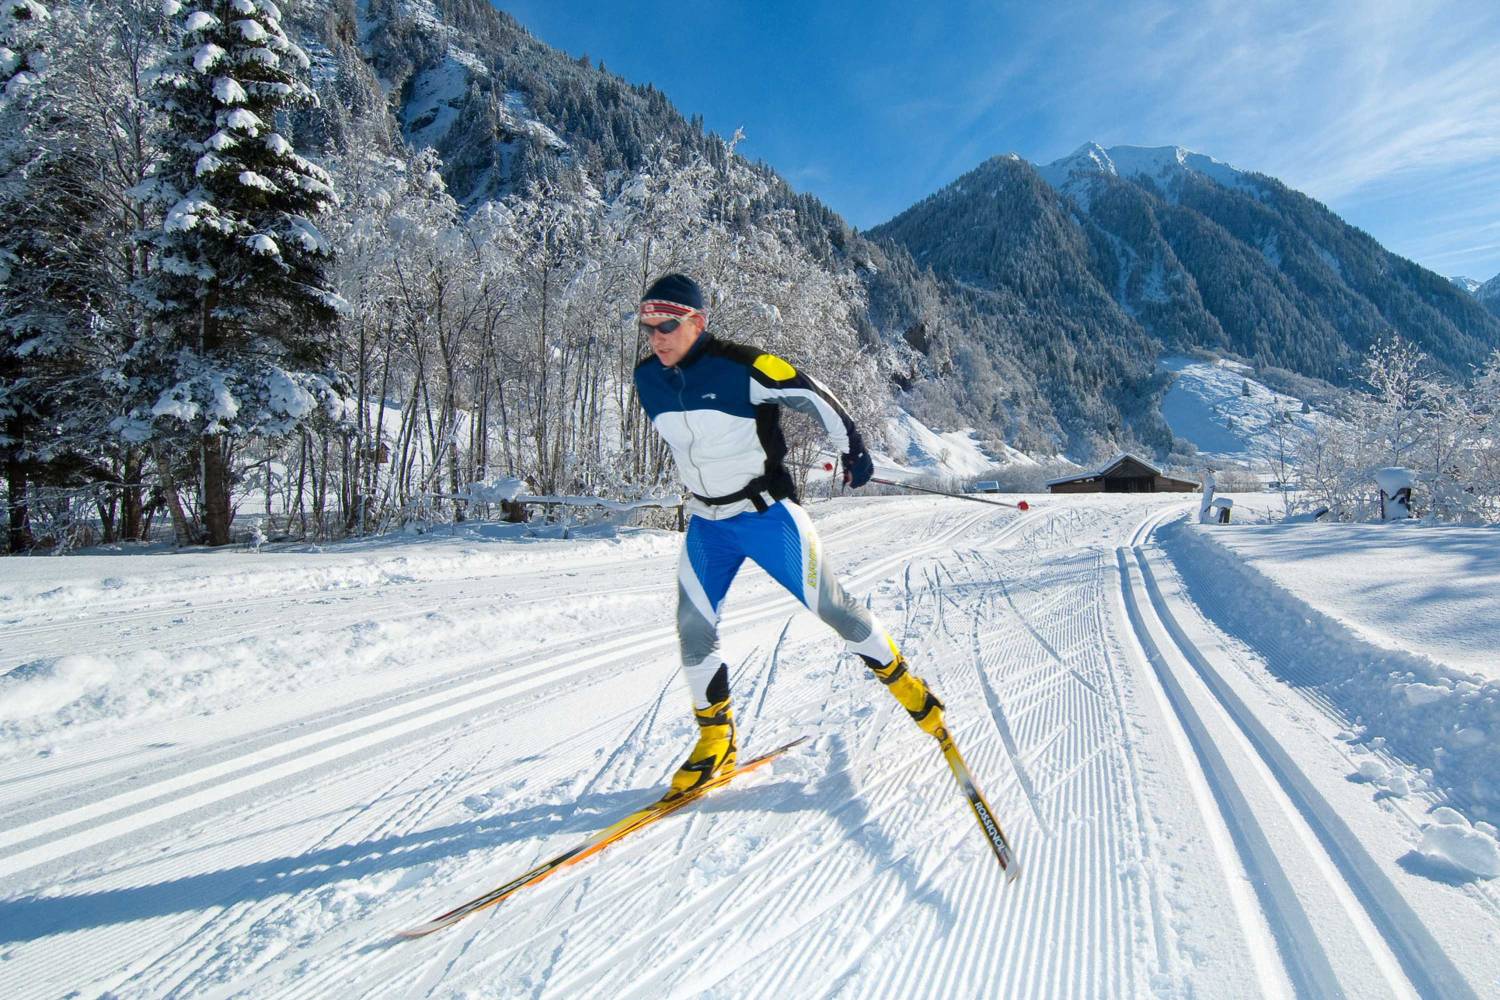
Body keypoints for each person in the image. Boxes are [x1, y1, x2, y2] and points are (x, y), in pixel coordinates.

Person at [632, 273, 947, 799]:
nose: (658, 337)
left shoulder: (741, 365)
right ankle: (716, 740)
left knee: (835, 610)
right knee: (692, 627)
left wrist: (853, 447)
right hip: (706, 526)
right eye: (649, 328)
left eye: (669, 325)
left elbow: (809, 391)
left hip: (766, 516)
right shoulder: (647, 379)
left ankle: (910, 688)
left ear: (698, 322)